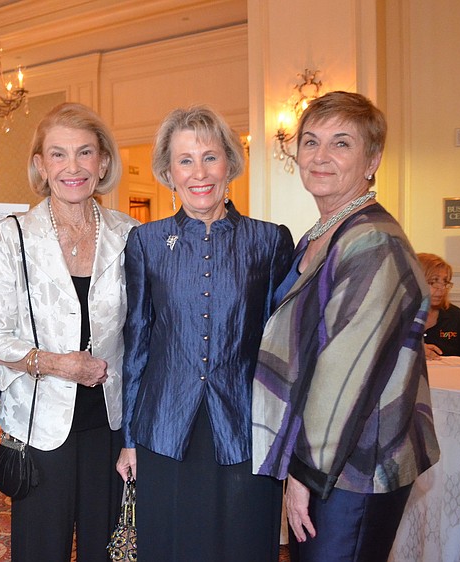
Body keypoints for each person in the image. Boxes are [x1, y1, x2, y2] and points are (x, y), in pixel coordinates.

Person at [252, 91, 441, 562]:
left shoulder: (372, 241)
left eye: (341, 143)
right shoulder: (323, 233)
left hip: (354, 467)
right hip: (332, 458)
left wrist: (305, 476)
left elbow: (345, 376)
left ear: (372, 159)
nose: (319, 156)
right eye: (311, 141)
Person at [114, 105, 292, 561]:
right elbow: (137, 346)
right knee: (173, 544)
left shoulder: (269, 241)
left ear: (230, 164)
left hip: (246, 427)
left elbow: (282, 351)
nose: (199, 173)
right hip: (165, 427)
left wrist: (286, 435)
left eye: (210, 157)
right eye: (185, 160)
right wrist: (130, 438)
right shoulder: (146, 243)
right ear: (168, 172)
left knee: (244, 542)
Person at [0, 102, 138, 562]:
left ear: (103, 163)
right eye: (58, 155)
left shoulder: (131, 234)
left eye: (85, 153)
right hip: (40, 422)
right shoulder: (10, 236)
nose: (73, 167)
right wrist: (58, 364)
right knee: (41, 549)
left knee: (104, 549)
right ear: (40, 165)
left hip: (109, 422)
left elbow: (143, 330)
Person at [418, 252, 460, 359]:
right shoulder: (395, 317)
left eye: (445, 282)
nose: (442, 288)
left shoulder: (459, 319)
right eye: (433, 282)